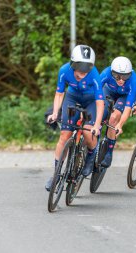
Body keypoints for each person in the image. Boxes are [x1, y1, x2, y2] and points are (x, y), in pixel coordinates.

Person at [45, 45, 104, 191]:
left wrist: (96, 125)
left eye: (86, 69)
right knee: (64, 135)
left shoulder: (94, 74)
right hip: (72, 98)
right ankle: (57, 174)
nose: (82, 73)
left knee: (87, 132)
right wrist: (55, 113)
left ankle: (91, 154)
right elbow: (59, 93)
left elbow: (99, 101)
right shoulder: (64, 71)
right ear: (73, 64)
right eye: (79, 68)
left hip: (91, 101)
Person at [99, 56, 136, 168]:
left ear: (129, 74)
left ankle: (109, 152)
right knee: (100, 111)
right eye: (117, 76)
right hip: (109, 91)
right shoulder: (106, 73)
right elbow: (95, 91)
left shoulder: (133, 81)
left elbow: (127, 109)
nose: (121, 80)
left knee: (114, 118)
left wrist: (120, 125)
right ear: (112, 72)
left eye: (125, 76)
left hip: (125, 96)